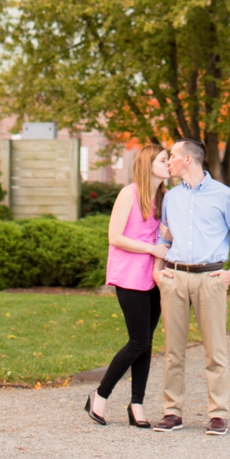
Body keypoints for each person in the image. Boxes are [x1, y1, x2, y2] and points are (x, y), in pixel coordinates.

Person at [152, 139, 230, 435]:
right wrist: (158, 272)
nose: (168, 162)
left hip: (210, 280)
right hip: (175, 278)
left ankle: (218, 414)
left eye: (172, 156)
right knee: (173, 351)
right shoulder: (171, 198)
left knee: (215, 350)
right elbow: (164, 237)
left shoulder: (224, 195)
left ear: (189, 160)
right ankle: (172, 412)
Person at [85, 146, 172, 427]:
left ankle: (136, 405)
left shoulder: (164, 198)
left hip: (155, 277)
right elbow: (115, 237)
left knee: (146, 343)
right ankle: (99, 396)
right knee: (138, 341)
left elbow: (165, 238)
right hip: (129, 276)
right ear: (148, 164)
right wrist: (153, 249)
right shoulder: (129, 193)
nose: (169, 163)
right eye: (163, 159)